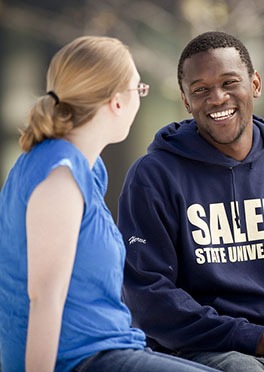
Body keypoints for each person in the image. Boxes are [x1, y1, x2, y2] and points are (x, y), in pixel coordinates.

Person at [118, 31, 264, 372]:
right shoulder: (153, 176)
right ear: (185, 99)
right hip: (197, 351)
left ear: (255, 83)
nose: (217, 98)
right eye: (201, 89)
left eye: (229, 82)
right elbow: (149, 297)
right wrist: (258, 339)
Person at [0, 35, 220, 372]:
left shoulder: (88, 169)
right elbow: (44, 299)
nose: (139, 99)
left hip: (111, 347)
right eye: (139, 89)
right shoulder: (60, 176)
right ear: (117, 101)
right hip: (80, 360)